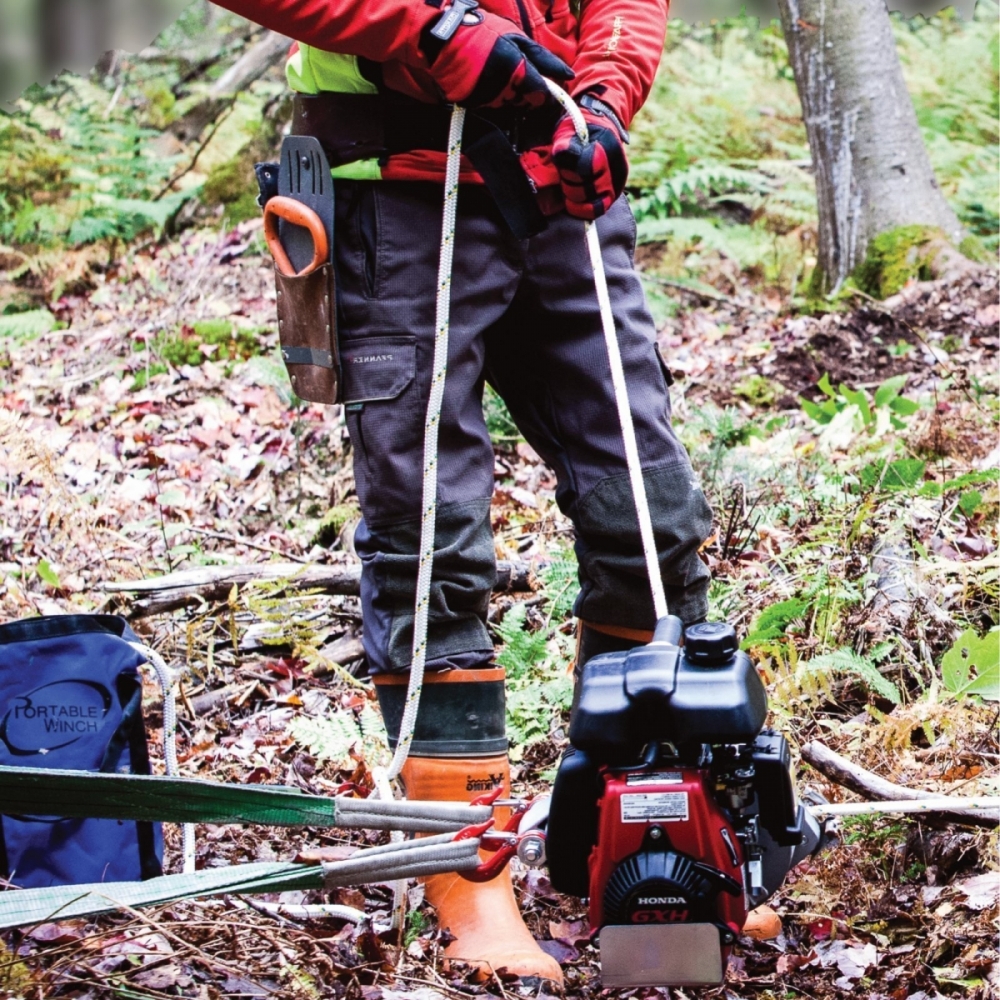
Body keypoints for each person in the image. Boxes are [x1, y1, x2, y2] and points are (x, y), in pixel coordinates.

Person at [213, 0, 744, 983]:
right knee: (432, 543)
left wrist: (604, 100)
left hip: (560, 193)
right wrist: (431, 33)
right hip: (393, 195)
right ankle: (471, 876)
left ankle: (640, 836)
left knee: (651, 518)